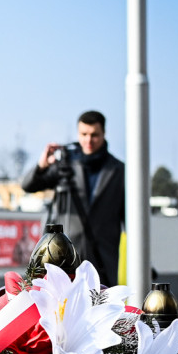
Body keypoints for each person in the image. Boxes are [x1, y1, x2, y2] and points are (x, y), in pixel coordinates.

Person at [21, 110, 125, 286]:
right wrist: (42, 166)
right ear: (78, 134)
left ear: (104, 134)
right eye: (84, 134)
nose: (88, 140)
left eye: (94, 135)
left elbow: (129, 217)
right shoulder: (66, 165)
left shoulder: (118, 170)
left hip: (104, 259)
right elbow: (28, 185)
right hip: (65, 257)